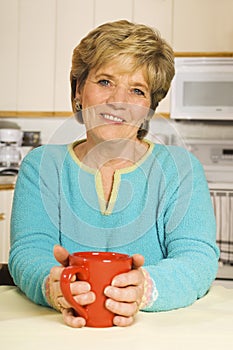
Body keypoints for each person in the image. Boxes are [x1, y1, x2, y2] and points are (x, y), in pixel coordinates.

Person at [9, 20, 219, 328]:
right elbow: (28, 252)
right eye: (105, 82)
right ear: (79, 90)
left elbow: (198, 258)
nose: (118, 102)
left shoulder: (181, 169)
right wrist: (51, 285)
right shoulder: (41, 166)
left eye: (136, 90)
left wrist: (145, 289)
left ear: (149, 106)